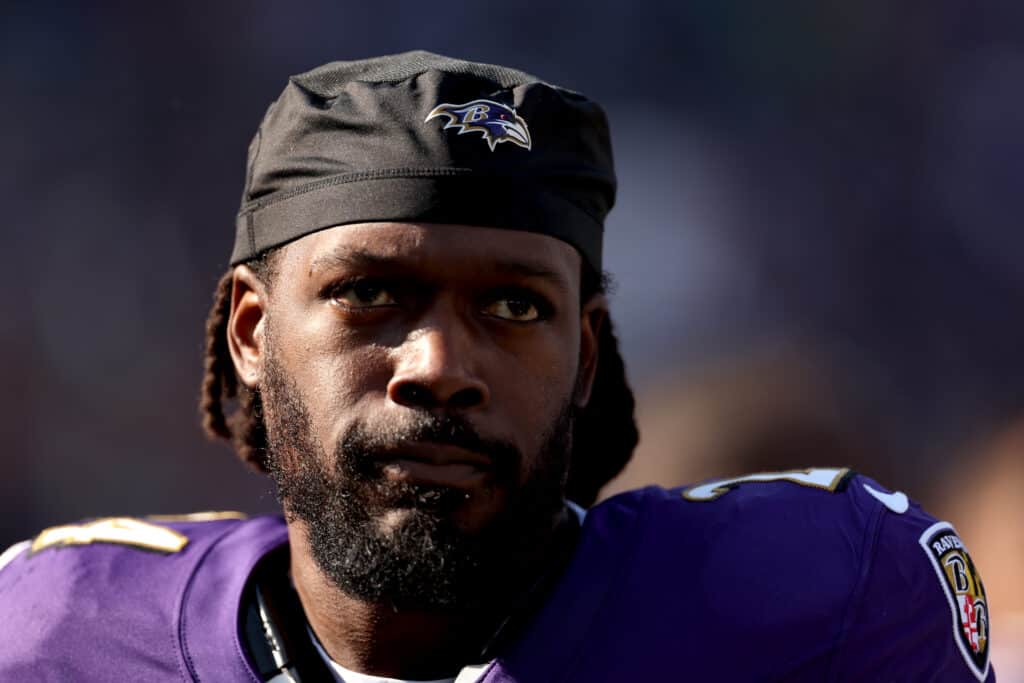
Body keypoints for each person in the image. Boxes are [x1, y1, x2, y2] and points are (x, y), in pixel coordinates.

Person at [0, 51, 995, 682]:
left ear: (586, 358)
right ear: (250, 334)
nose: (437, 364)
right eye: (370, 294)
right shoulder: (58, 635)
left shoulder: (814, 607)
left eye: (514, 306)